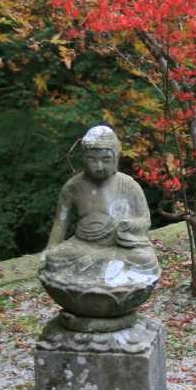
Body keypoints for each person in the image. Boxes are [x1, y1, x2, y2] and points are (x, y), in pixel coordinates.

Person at [41, 124, 159, 289]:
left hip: (118, 246)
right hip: (83, 244)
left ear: (116, 158)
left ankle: (103, 266)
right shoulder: (73, 187)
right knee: (54, 259)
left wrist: (128, 225)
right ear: (84, 159)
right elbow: (60, 223)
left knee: (145, 258)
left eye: (106, 160)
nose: (99, 166)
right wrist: (50, 249)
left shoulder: (128, 185)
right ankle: (107, 268)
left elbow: (145, 221)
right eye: (92, 160)